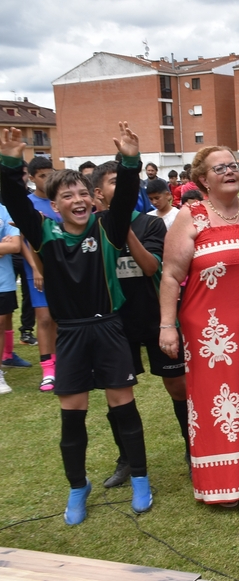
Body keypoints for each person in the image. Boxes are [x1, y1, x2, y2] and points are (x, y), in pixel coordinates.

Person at [0, 122, 153, 525]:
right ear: (54, 204)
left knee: (123, 406)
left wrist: (130, 159)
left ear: (93, 198)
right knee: (73, 414)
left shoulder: (107, 228)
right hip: (69, 334)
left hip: (108, 328)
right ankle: (76, 486)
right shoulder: (43, 232)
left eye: (84, 193)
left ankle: (140, 478)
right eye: (67, 195)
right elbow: (14, 199)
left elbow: (123, 200)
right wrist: (9, 162)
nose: (78, 199)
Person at [159, 145, 239, 506]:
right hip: (211, 334)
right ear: (203, 179)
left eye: (233, 165)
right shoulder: (191, 215)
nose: (230, 171)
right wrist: (166, 326)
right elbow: (170, 275)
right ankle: (225, 483)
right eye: (220, 168)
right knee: (221, 405)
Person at [89, 161, 190, 487]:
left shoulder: (151, 225)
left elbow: (150, 268)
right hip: (114, 324)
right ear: (98, 193)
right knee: (116, 395)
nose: (124, 188)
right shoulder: (91, 227)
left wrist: (124, 229)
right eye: (115, 182)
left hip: (155, 319)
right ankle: (127, 459)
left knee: (178, 386)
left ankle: (195, 451)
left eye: (128, 183)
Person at [21, 155, 58, 392]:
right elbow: (23, 240)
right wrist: (35, 268)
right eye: (42, 175)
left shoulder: (60, 200)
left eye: (50, 173)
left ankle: (64, 362)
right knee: (44, 318)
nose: (47, 179)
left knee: (62, 318)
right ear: (32, 178)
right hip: (37, 271)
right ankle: (48, 369)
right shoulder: (27, 203)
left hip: (62, 269)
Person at [0, 201, 21, 394]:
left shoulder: (4, 210)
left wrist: (7, 246)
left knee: (1, 322)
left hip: (3, 279)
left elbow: (15, 245)